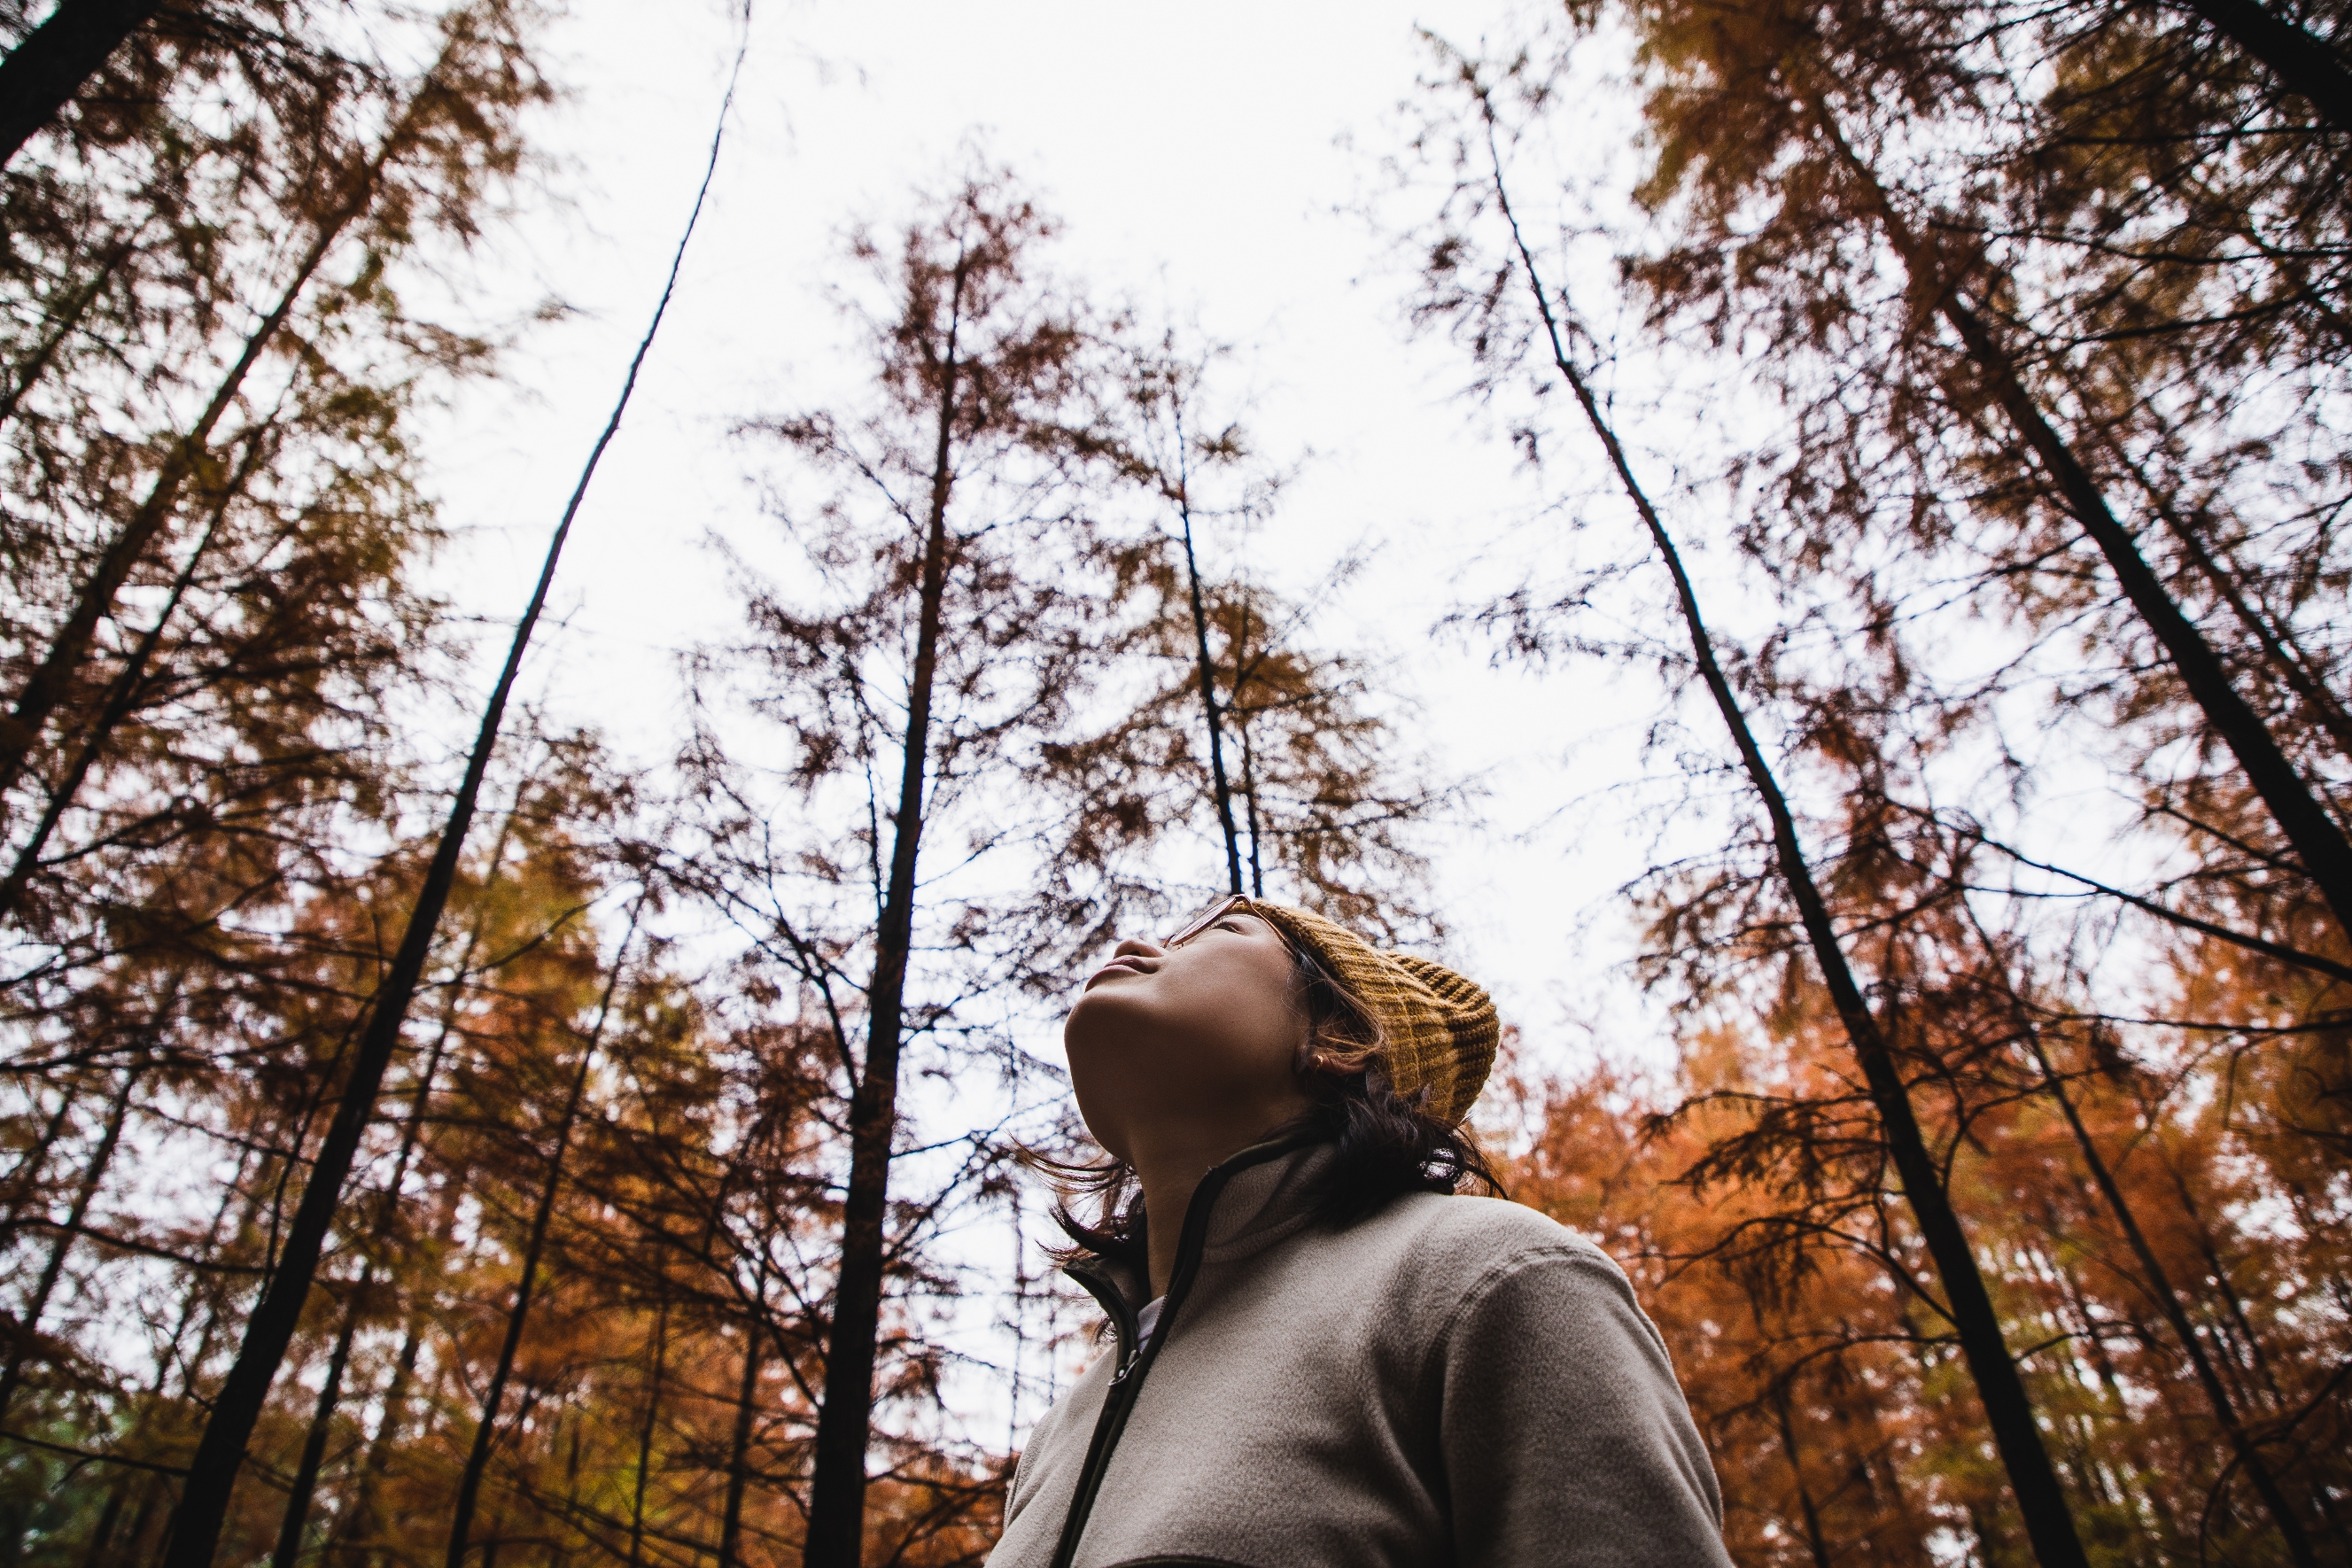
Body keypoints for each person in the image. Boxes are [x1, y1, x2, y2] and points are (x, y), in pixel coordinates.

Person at [989, 894, 1734, 1568]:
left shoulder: (1488, 1279)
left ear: (1340, 1038)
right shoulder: (1063, 1428)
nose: (1145, 946)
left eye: (1216, 934)